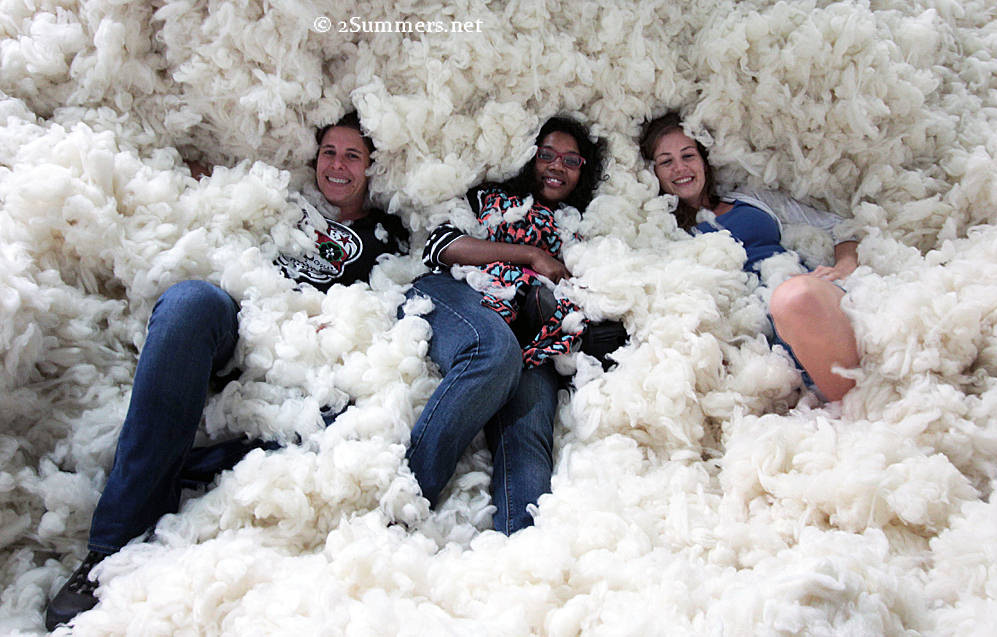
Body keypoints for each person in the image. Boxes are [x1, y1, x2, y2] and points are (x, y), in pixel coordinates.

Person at [45, 113, 409, 630]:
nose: (338, 165)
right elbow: (219, 185)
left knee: (348, 430)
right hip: (243, 323)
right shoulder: (289, 205)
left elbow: (393, 299)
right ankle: (109, 551)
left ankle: (187, 466)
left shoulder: (386, 232)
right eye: (330, 152)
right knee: (189, 303)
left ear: (371, 168)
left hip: (310, 362)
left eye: (353, 156)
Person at [402, 116, 607, 535]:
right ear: (530, 158)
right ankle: (401, 506)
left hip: (535, 335)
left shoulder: (580, 231)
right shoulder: (493, 199)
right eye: (547, 154)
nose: (556, 166)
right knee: (494, 352)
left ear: (583, 171)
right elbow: (442, 246)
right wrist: (530, 256)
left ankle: (522, 561)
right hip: (461, 295)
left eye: (570, 160)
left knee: (530, 433)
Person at [640, 112, 860, 401]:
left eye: (688, 155)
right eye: (666, 161)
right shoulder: (664, 233)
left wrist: (845, 265)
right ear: (654, 173)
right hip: (761, 343)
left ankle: (857, 403)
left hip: (809, 297)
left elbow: (840, 227)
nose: (680, 168)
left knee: (796, 297)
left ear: (704, 161)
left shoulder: (752, 199)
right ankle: (854, 409)